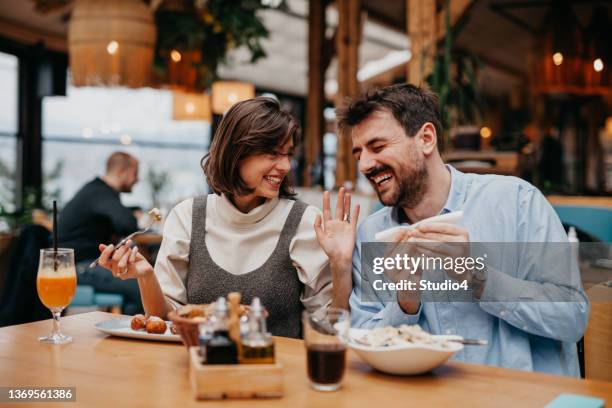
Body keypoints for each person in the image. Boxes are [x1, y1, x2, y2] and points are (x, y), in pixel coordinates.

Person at [316, 84, 589, 376]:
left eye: (378, 147)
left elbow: (572, 317)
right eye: (359, 154)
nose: (365, 165)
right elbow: (363, 339)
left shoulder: (517, 202)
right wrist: (405, 304)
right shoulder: (370, 235)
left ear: (426, 138)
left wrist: (480, 278)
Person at [96, 97, 358, 338]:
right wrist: (146, 276)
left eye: (287, 154)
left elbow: (329, 326)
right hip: (198, 370)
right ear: (236, 153)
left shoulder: (304, 221)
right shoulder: (187, 216)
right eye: (273, 154)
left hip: (277, 374)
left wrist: (341, 266)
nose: (286, 166)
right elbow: (165, 321)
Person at [58, 151, 143, 314]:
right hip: (80, 267)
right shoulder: (101, 192)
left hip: (81, 264)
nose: (137, 179)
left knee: (140, 280)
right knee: (141, 285)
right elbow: (128, 224)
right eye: (135, 173)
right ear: (121, 172)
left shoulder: (95, 191)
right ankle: (132, 334)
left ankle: (129, 330)